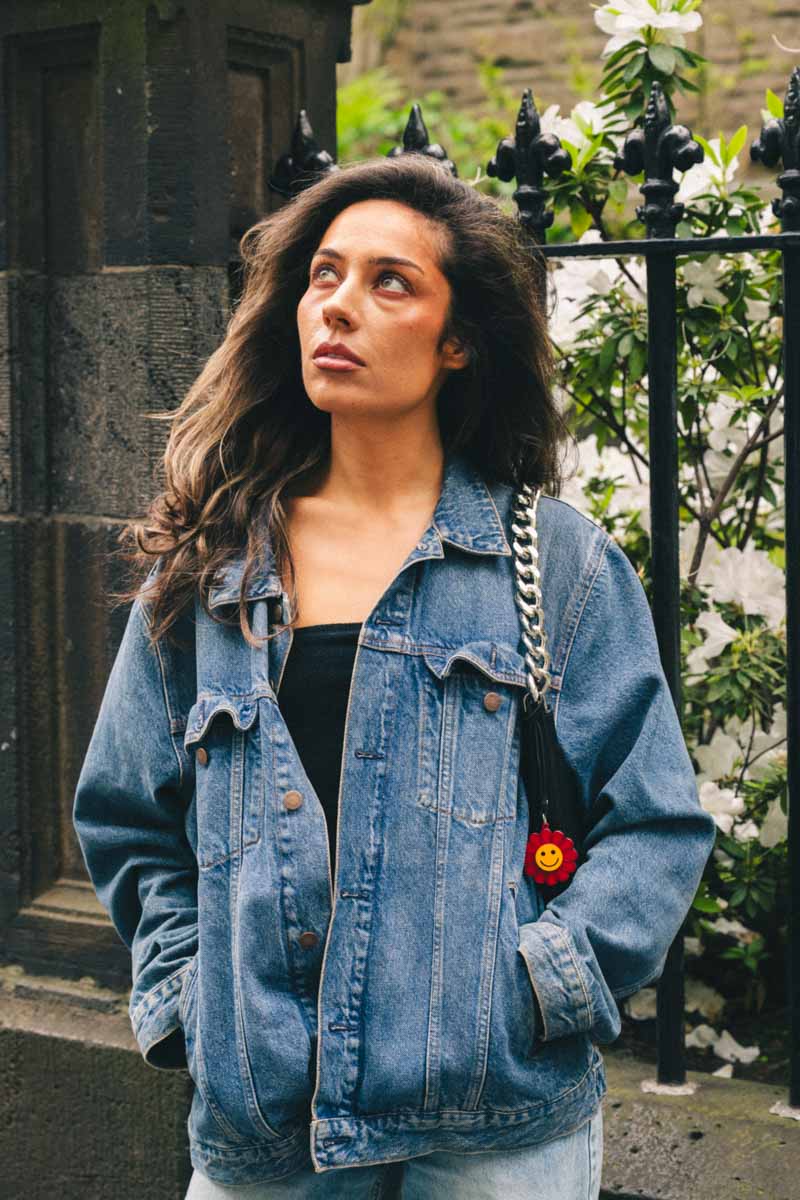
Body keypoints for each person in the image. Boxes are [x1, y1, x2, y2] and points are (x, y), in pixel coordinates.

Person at [72, 153, 717, 1199]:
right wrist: (196, 1001)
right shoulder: (211, 572)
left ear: (456, 341)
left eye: (390, 283)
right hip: (268, 1130)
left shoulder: (555, 565)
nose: (338, 306)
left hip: (492, 1127)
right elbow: (127, 819)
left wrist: (535, 989)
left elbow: (654, 823)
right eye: (324, 275)